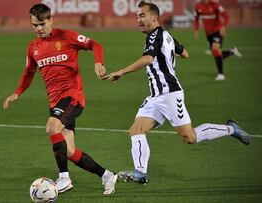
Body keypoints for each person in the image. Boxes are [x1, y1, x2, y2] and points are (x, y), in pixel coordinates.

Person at [103, 1, 250, 184]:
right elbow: (185, 53)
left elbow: (148, 59)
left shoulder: (155, 35)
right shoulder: (166, 35)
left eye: (142, 15)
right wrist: (170, 52)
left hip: (170, 95)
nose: (138, 20)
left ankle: (230, 129)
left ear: (154, 18)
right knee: (136, 130)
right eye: (137, 16)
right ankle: (140, 173)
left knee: (190, 137)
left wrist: (122, 71)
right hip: (156, 97)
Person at [3, 3, 117, 195]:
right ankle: (106, 175)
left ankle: (64, 178)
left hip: (73, 96)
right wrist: (18, 92)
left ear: (50, 20)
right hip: (56, 102)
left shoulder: (66, 36)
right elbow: (28, 72)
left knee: (51, 127)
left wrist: (98, 61)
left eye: (42, 24)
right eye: (34, 25)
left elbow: (95, 44)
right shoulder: (33, 48)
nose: (39, 29)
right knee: (70, 151)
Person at [194, 0, 242, 81]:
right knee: (217, 54)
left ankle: (221, 74)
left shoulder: (215, 5)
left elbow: (226, 16)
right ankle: (232, 52)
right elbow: (196, 18)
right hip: (208, 33)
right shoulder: (197, 6)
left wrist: (223, 27)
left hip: (217, 31)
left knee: (215, 51)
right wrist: (196, 30)